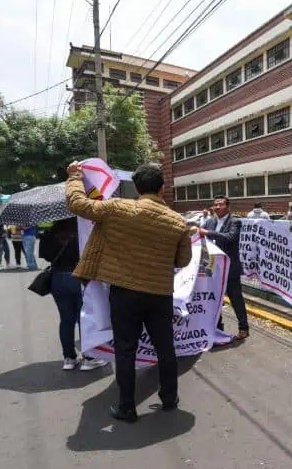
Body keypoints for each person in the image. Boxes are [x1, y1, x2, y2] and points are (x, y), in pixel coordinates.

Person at [66, 161, 192, 423]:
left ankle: (127, 407)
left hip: (125, 294)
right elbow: (182, 262)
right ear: (162, 189)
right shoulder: (179, 222)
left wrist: (75, 177)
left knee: (126, 350)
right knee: (165, 347)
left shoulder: (117, 208)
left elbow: (78, 205)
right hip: (160, 294)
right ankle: (169, 399)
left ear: (135, 187)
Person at [39, 218, 109, 372]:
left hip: (58, 279)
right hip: (80, 278)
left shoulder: (50, 233)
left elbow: (45, 255)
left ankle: (69, 358)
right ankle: (89, 358)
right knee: (83, 319)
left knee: (66, 319)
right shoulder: (84, 232)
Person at [195, 196, 249, 340]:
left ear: (228, 206)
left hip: (230, 270)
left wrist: (207, 233)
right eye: (215, 205)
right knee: (214, 300)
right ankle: (218, 329)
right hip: (213, 269)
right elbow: (199, 234)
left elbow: (230, 238)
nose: (217, 207)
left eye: (220, 204)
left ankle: (244, 328)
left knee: (236, 300)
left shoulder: (235, 221)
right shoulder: (210, 221)